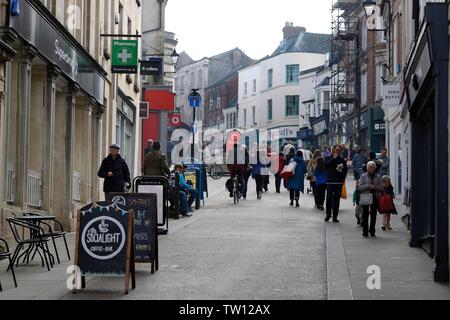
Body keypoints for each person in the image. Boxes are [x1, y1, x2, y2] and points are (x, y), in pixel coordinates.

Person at [357, 161, 383, 238]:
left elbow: (381, 188)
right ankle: (365, 232)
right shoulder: (363, 176)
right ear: (367, 168)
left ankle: (372, 231)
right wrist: (368, 186)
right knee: (365, 214)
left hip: (375, 197)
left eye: (373, 167)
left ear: (375, 168)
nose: (371, 169)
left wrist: (373, 187)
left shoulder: (378, 177)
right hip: (366, 197)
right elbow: (359, 188)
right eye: (370, 167)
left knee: (373, 214)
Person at [324, 145, 348, 223]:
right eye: (336, 150)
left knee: (336, 200)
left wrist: (343, 179)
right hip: (330, 181)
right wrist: (333, 159)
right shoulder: (328, 158)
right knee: (328, 198)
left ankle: (335, 216)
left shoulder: (342, 160)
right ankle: (328, 215)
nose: (337, 152)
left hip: (338, 182)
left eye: (339, 150)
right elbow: (327, 166)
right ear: (333, 150)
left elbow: (345, 170)